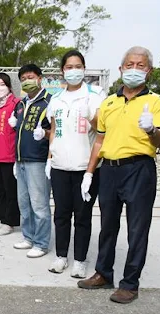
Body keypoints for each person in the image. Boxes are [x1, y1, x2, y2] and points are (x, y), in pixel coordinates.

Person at [77, 46, 160, 304]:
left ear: (148, 71)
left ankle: (130, 283)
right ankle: (103, 273)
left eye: (141, 65)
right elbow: (99, 139)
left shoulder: (157, 102)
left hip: (139, 169)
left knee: (137, 229)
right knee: (107, 225)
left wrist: (151, 129)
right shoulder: (109, 102)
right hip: (109, 170)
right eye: (130, 64)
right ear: (121, 69)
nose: (134, 69)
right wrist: (89, 172)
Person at [45, 50, 106, 277]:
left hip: (85, 169)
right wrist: (50, 158)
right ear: (63, 71)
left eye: (78, 66)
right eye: (69, 67)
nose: (73, 70)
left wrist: (90, 116)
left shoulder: (94, 94)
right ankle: (61, 256)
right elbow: (53, 130)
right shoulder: (57, 98)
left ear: (84, 68)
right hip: (60, 167)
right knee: (61, 214)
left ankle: (80, 260)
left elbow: (102, 129)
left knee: (82, 216)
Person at [8, 64, 52, 258]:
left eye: (31, 77)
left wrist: (45, 133)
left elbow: (56, 131)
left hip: (38, 161)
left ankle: (41, 243)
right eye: (23, 78)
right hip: (21, 160)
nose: (27, 81)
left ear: (40, 78)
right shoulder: (21, 103)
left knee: (39, 204)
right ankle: (28, 237)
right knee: (24, 203)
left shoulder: (49, 101)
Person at [0, 73, 20, 236]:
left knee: (10, 191)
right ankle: (3, 219)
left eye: (2, 84)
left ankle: (10, 222)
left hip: (9, 155)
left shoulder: (16, 104)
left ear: (8, 86)